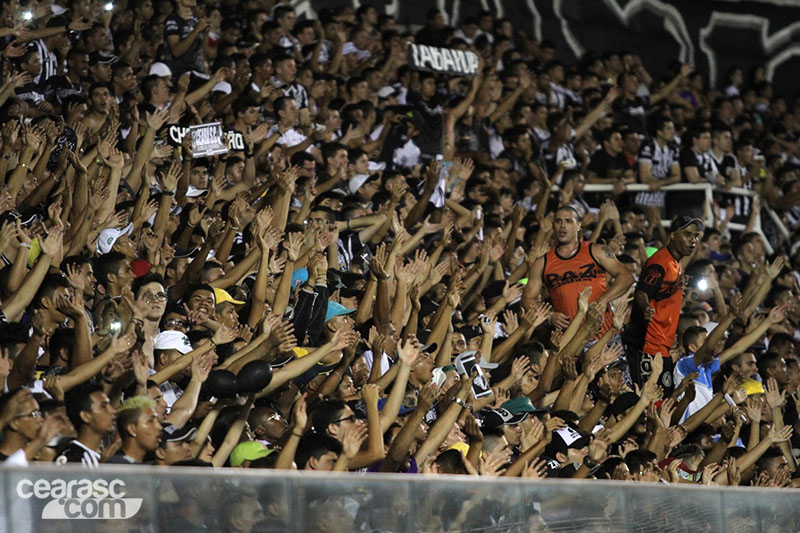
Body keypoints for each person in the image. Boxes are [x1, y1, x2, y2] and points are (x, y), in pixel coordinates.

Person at [523, 205, 634, 332]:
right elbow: (527, 298)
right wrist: (549, 316)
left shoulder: (597, 251)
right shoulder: (542, 263)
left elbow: (626, 277)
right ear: (553, 226)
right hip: (569, 340)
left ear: (578, 226)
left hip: (604, 334)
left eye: (568, 221)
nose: (562, 225)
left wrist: (604, 300)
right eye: (558, 221)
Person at [625, 216, 703, 391]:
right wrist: (645, 307)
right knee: (651, 401)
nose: (693, 240)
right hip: (649, 346)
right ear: (673, 235)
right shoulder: (661, 263)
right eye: (687, 234)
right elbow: (642, 291)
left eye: (696, 236)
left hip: (662, 345)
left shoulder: (676, 263)